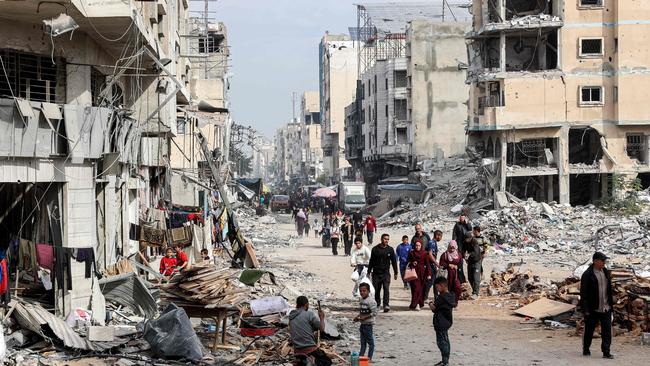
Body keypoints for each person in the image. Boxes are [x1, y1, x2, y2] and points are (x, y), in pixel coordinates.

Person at [580, 252, 614, 359]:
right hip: (593, 308)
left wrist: (611, 305)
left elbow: (609, 290)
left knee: (607, 332)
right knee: (589, 331)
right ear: (595, 261)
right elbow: (583, 293)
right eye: (602, 260)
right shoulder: (587, 275)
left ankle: (606, 352)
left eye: (604, 261)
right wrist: (585, 309)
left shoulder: (605, 272)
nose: (604, 262)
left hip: (606, 307)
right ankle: (586, 349)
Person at [289, 296, 331, 366]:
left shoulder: (291, 316)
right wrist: (321, 317)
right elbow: (322, 329)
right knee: (327, 361)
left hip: (297, 351)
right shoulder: (309, 314)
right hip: (309, 349)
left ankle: (303, 362)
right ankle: (312, 362)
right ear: (307, 304)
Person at [429, 277, 456, 366]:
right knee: (446, 341)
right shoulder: (451, 296)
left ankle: (445, 362)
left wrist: (430, 303)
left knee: (441, 343)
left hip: (440, 323)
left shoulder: (442, 297)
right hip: (447, 322)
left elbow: (434, 308)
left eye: (437, 287)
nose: (437, 289)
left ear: (442, 285)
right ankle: (445, 360)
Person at [368, 234, 398, 312]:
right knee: (377, 290)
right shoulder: (375, 249)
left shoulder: (390, 249)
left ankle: (386, 305)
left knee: (386, 288)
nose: (386, 241)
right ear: (381, 239)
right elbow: (371, 261)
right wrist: (368, 271)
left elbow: (394, 261)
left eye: (388, 239)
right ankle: (378, 304)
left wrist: (396, 272)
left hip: (386, 273)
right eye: (385, 239)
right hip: (376, 273)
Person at [354, 283, 377, 361]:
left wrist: (365, 317)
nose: (362, 292)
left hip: (368, 325)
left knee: (371, 343)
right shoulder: (361, 300)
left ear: (368, 291)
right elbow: (362, 312)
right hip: (362, 325)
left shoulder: (371, 301)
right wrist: (357, 317)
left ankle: (369, 358)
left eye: (364, 291)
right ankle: (361, 357)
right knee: (363, 343)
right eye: (361, 291)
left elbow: (374, 313)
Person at [406, 241, 432, 310]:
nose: (417, 247)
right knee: (415, 288)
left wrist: (429, 274)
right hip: (414, 272)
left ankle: (418, 303)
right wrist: (412, 263)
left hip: (422, 273)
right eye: (416, 245)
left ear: (421, 246)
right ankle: (416, 304)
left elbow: (428, 264)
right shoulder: (411, 253)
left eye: (419, 245)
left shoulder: (425, 253)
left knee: (421, 289)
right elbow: (408, 261)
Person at [452, 215, 472, 283]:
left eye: (462, 218)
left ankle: (471, 276)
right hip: (459, 244)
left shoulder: (467, 224)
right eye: (460, 218)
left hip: (466, 244)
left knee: (469, 259)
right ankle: (461, 278)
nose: (461, 219)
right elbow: (454, 234)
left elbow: (470, 230)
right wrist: (453, 243)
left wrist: (467, 223)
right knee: (459, 261)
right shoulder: (457, 225)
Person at [464, 230, 482, 299]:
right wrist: (464, 255)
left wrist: (469, 254)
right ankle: (474, 290)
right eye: (466, 239)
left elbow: (476, 252)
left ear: (471, 238)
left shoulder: (475, 242)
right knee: (470, 277)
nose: (467, 240)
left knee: (476, 277)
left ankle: (476, 293)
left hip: (476, 261)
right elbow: (463, 249)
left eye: (468, 239)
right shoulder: (465, 242)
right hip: (470, 261)